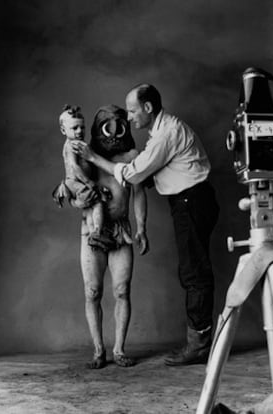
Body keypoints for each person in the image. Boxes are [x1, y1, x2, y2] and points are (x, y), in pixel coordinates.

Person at [71, 84, 219, 366]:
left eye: (131, 110)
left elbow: (135, 175)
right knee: (191, 270)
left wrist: (94, 158)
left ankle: (199, 346)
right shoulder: (159, 134)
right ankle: (198, 341)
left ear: (148, 108)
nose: (128, 118)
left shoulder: (166, 134)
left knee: (194, 271)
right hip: (188, 202)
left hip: (191, 202)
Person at [63, 104, 149, 368]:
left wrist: (142, 226)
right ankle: (99, 350)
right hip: (91, 229)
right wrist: (73, 194)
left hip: (121, 229)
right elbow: (73, 183)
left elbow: (139, 193)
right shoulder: (83, 150)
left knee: (122, 290)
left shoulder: (133, 155)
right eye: (107, 126)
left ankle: (119, 349)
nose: (113, 133)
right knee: (92, 291)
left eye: (118, 126)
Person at [53, 105, 116, 250]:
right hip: (76, 182)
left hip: (79, 182)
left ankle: (96, 230)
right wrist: (89, 183)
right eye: (74, 128)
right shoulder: (71, 146)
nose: (79, 131)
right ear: (64, 130)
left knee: (96, 201)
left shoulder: (79, 144)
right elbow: (75, 167)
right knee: (98, 202)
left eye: (82, 127)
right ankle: (97, 233)